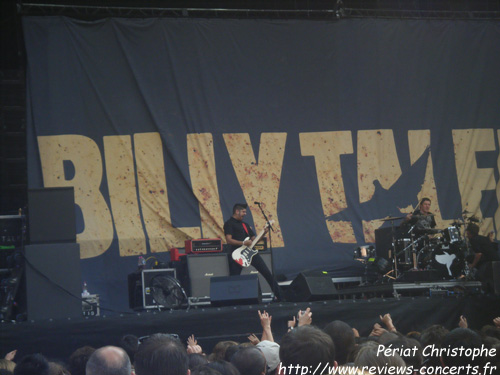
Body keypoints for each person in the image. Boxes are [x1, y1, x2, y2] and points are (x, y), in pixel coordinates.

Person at [223, 203, 282, 301]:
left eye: (245, 212)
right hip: (237, 254)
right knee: (234, 279)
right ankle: (232, 301)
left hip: (251, 252)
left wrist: (264, 233)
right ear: (237, 211)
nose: (245, 214)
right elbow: (228, 240)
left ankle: (280, 296)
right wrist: (243, 242)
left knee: (267, 273)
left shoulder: (245, 225)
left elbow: (254, 239)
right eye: (243, 212)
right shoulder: (229, 223)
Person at [465, 223, 499, 289]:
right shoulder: (483, 238)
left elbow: (478, 254)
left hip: (489, 261)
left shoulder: (473, 240)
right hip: (496, 259)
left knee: (469, 258)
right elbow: (495, 248)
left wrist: (472, 265)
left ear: (471, 234)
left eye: (468, 234)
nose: (467, 236)